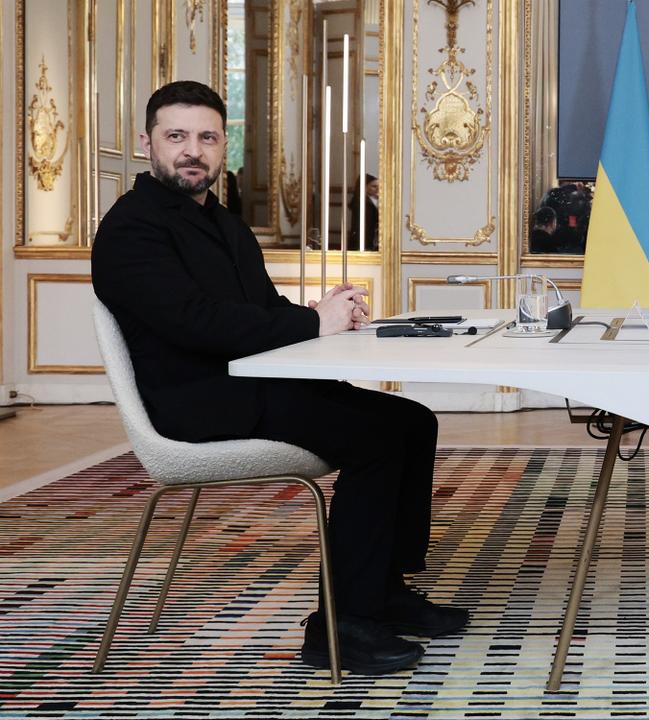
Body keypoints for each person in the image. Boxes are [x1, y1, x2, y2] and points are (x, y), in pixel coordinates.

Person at [91, 81, 467, 676]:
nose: (193, 151)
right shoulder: (130, 227)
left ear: (224, 146)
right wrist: (313, 322)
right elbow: (194, 323)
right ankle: (341, 625)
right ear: (147, 143)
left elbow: (261, 314)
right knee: (374, 439)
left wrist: (322, 314)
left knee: (412, 421)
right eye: (177, 136)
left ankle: (383, 591)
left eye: (207, 138)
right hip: (197, 400)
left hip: (253, 382)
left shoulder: (227, 225)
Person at [347, 173, 379, 251]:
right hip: (364, 242)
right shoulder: (364, 203)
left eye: (379, 186)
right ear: (364, 187)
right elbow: (368, 227)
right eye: (374, 186)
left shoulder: (368, 200)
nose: (378, 189)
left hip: (364, 240)